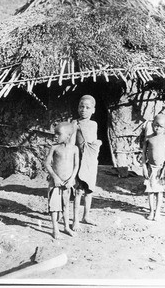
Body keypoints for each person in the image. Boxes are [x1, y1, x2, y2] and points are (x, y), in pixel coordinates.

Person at [71, 95, 101, 231]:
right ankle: (76, 220)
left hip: (90, 162)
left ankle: (86, 216)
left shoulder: (94, 124)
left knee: (89, 191)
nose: (84, 110)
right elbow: (72, 143)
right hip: (79, 160)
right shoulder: (75, 123)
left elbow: (91, 144)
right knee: (78, 192)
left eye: (88, 107)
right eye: (81, 106)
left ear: (93, 110)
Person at [45, 122, 79, 239]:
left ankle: (66, 227)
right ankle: (55, 229)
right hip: (55, 183)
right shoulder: (54, 147)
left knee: (66, 205)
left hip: (67, 183)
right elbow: (47, 164)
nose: (55, 136)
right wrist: (55, 177)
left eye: (58, 134)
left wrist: (71, 180)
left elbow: (76, 166)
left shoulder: (74, 149)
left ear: (68, 136)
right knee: (54, 207)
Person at [142, 114, 165, 221]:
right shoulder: (149, 138)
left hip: (160, 169)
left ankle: (157, 212)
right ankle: (151, 211)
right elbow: (144, 153)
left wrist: (164, 169)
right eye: (155, 125)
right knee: (150, 190)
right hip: (151, 168)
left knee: (159, 191)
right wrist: (144, 167)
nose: (157, 128)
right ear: (152, 125)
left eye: (160, 126)